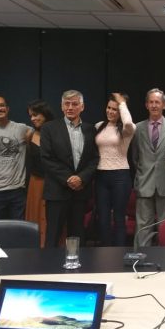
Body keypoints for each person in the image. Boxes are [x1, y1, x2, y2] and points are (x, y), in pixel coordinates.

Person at [40, 90, 99, 247]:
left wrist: (81, 178)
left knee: (77, 237)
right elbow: (46, 158)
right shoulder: (49, 128)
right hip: (57, 191)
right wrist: (68, 179)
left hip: (80, 192)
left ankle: (77, 263)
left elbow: (94, 159)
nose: (70, 107)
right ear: (61, 106)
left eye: (74, 104)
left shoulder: (90, 129)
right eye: (67, 104)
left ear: (82, 107)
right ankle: (49, 263)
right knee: (53, 236)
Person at [131, 88, 165, 247]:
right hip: (144, 183)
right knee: (143, 225)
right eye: (151, 102)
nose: (154, 105)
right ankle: (141, 256)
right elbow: (135, 157)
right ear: (146, 105)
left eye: (157, 102)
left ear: (164, 105)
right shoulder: (137, 128)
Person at [0, 93, 33, 221]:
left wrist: (30, 135)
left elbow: (39, 131)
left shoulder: (22, 128)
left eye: (2, 105)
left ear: (7, 109)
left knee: (17, 230)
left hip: (18, 192)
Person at [94, 92, 136, 246]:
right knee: (103, 218)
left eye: (115, 109)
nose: (110, 112)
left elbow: (128, 123)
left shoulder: (127, 128)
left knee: (119, 217)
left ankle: (118, 254)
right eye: (109, 108)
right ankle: (105, 252)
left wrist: (122, 103)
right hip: (101, 176)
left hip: (120, 176)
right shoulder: (99, 126)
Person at [25, 99, 54, 247]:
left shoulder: (57, 132)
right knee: (35, 217)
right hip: (36, 182)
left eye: (36, 115)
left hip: (54, 182)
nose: (33, 118)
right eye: (31, 115)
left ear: (45, 114)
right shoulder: (30, 135)